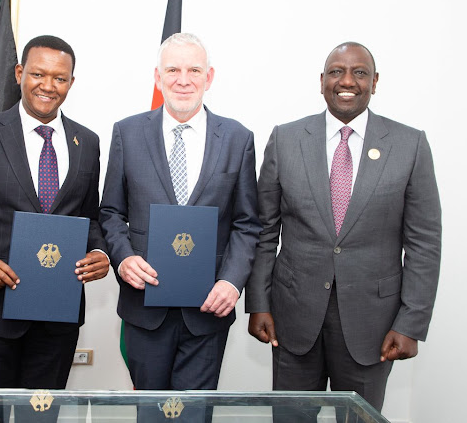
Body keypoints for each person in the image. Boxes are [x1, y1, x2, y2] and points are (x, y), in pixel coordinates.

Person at [245, 42, 441, 420]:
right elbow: (264, 230)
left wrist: (412, 322)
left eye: (360, 72)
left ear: (375, 82)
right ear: (322, 82)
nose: (347, 80)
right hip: (293, 317)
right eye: (336, 71)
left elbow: (424, 243)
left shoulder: (410, 145)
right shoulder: (285, 140)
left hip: (374, 325)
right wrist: (258, 302)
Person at [0, 35, 109, 421]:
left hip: (57, 319)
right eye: (38, 74)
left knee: (41, 419)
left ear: (71, 83)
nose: (48, 86)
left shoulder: (88, 143)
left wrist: (100, 253)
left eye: (60, 78)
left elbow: (90, 217)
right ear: (19, 74)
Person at [99, 33, 261, 395]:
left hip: (208, 307)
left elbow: (248, 223)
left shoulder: (238, 138)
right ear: (157, 77)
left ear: (210, 76)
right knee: (150, 415)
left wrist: (232, 282)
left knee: (193, 416)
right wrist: (123, 259)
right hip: (145, 308)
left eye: (194, 70)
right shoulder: (127, 132)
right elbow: (110, 212)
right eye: (172, 69)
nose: (183, 80)